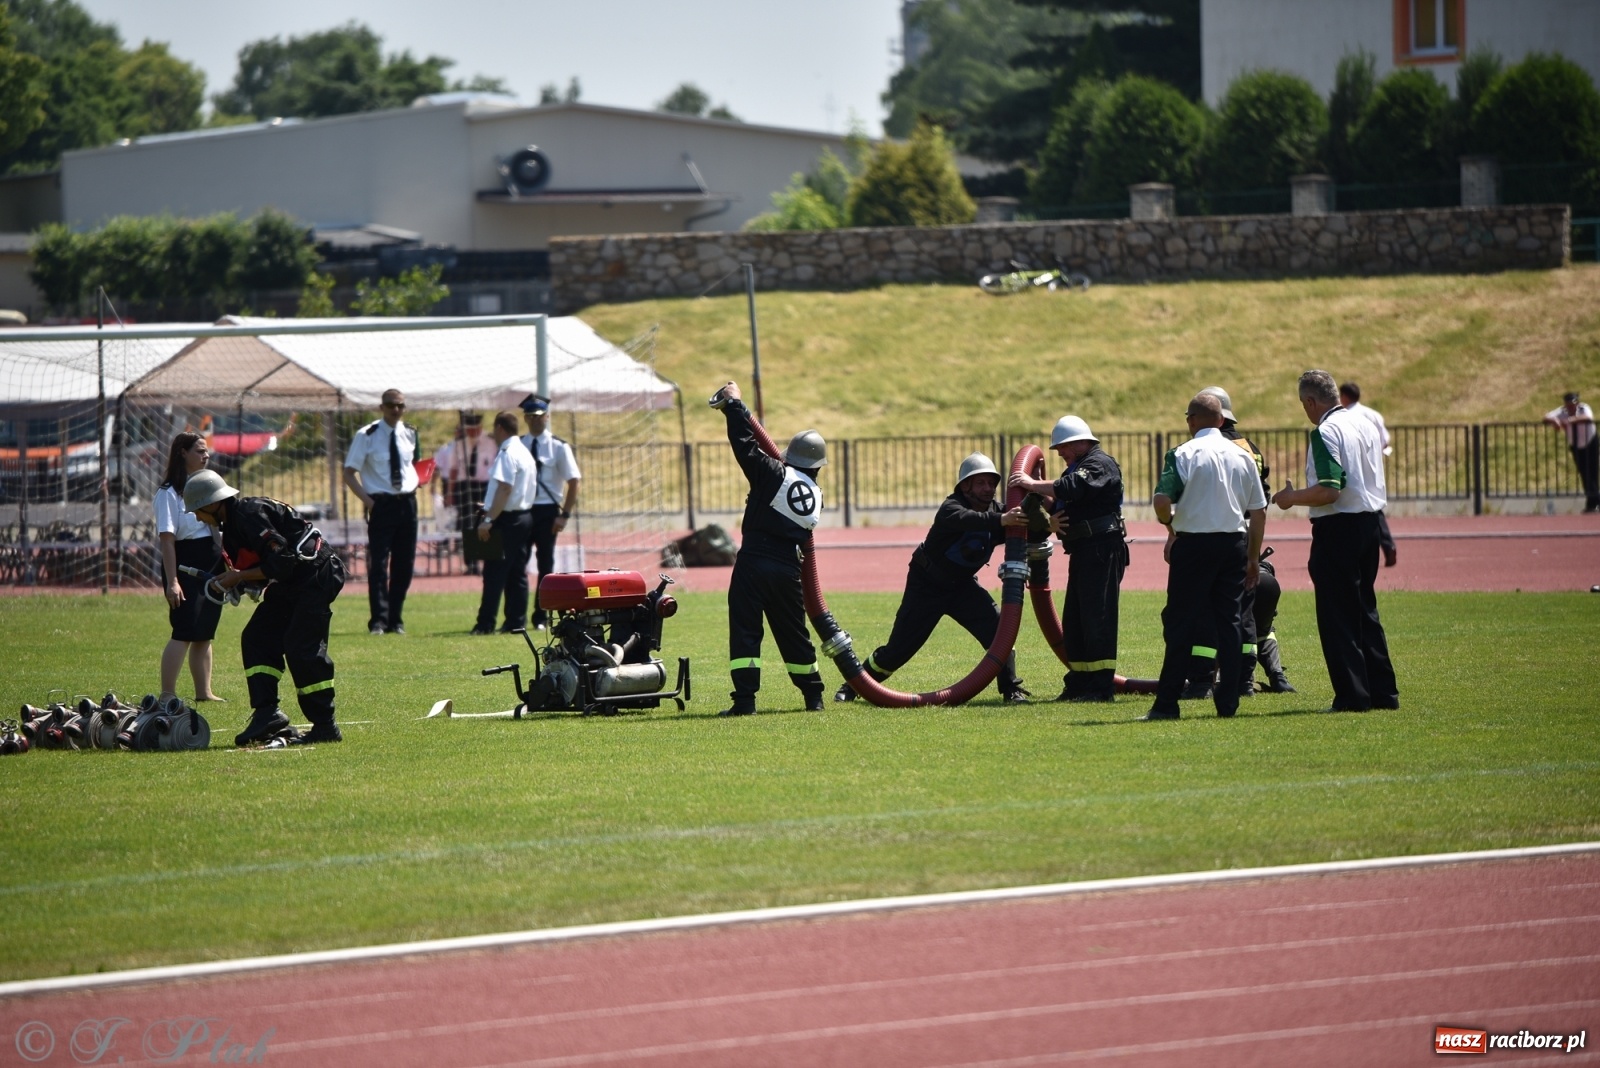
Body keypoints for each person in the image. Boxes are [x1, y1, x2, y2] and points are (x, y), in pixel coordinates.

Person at [836, 453, 1031, 704]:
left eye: (991, 483)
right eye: (980, 483)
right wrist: (1001, 520)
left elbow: (1025, 525)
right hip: (927, 585)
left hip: (962, 587)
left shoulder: (997, 513)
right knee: (897, 651)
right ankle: (853, 686)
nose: (988, 489)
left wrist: (1047, 521)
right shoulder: (952, 507)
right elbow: (966, 520)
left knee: (999, 631)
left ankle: (1011, 690)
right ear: (965, 486)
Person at [182, 469, 346, 746]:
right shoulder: (232, 526)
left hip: (316, 575)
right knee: (257, 637)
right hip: (293, 581)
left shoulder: (248, 514)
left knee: (301, 649)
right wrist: (233, 583)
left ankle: (325, 726)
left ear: (211, 504)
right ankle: (267, 713)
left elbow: (282, 560)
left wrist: (240, 577)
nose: (198, 517)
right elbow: (265, 569)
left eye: (198, 510)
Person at [1273, 369, 1400, 713]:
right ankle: (1383, 692)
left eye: (1304, 404)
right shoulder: (1366, 425)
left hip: (1338, 528)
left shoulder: (1325, 432)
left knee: (1337, 615)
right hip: (1369, 523)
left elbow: (1329, 490)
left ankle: (1352, 695)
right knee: (1364, 609)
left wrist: (1290, 498)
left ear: (1311, 401)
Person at [1144, 392, 1267, 721]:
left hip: (1194, 545)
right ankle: (1228, 703)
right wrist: (1253, 558)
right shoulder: (1243, 455)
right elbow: (1258, 511)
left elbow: (1160, 500)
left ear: (1192, 420)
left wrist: (1170, 526)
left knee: (1181, 622)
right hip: (1234, 545)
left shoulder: (1181, 453)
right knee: (1230, 622)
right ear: (1222, 419)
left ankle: (1167, 704)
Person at [713, 380, 827, 716]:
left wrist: (734, 405)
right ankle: (813, 697)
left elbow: (744, 445)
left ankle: (745, 702)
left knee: (746, 631)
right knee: (794, 632)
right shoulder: (817, 496)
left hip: (754, 561)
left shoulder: (774, 473)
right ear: (819, 466)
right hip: (789, 568)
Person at [1183, 386, 1293, 698]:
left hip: (1214, 534)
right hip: (1248, 535)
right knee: (1245, 612)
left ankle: (1204, 681)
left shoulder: (1199, 448)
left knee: (1207, 608)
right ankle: (1250, 678)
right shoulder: (1250, 448)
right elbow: (1262, 496)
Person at [1009, 415, 1127, 702]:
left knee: (1097, 618)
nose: (1060, 453)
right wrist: (1044, 505)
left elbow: (1073, 487)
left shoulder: (1099, 464)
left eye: (1062, 447)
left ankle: (1100, 688)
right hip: (1085, 549)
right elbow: (1064, 498)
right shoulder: (1080, 467)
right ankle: (1078, 684)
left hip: (1101, 548)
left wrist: (1032, 484)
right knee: (1076, 620)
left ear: (1079, 443)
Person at [342, 388, 419, 635]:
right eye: (390, 405)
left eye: (400, 405)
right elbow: (348, 473)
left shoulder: (410, 433)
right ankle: (378, 620)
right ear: (382, 407)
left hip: (407, 502)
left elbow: (410, 466)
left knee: (404, 564)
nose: (396, 410)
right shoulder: (367, 435)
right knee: (378, 564)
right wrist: (368, 502)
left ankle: (396, 619)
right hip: (381, 504)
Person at [155, 433, 224, 704]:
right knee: (184, 631)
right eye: (200, 451)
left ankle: (204, 692)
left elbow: (217, 529)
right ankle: (167, 695)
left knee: (205, 632)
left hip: (210, 560)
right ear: (182, 453)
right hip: (184, 563)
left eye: (206, 451)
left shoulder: (208, 487)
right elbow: (167, 541)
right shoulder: (168, 493)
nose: (206, 456)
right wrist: (173, 581)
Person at [473, 411, 539, 635]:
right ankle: (515, 621)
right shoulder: (524, 451)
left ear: (500, 428)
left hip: (506, 519)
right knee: (516, 572)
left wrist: (489, 518)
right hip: (523, 517)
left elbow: (505, 488)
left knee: (494, 572)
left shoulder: (508, 452)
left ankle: (485, 624)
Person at [519, 394, 582, 629]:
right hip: (522, 510)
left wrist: (564, 514)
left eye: (539, 416)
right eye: (530, 417)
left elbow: (574, 481)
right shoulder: (518, 444)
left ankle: (541, 616)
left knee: (545, 566)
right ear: (525, 418)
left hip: (547, 512)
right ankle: (516, 617)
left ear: (547, 416)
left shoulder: (558, 446)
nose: (535, 421)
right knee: (517, 564)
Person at [1339, 382, 1397, 566]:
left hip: (1356, 466)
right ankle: (1385, 546)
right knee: (1374, 506)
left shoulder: (1346, 416)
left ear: (1345, 397)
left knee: (1360, 508)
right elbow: (1385, 441)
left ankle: (1366, 549)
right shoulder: (1373, 414)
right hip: (1375, 465)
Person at [433, 412, 496, 574]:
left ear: (480, 428)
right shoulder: (459, 444)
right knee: (468, 524)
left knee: (487, 522)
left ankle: (489, 561)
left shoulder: (490, 441)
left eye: (473, 430)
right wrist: (450, 492)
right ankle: (472, 563)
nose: (470, 433)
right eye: (467, 430)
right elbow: (453, 469)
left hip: (484, 485)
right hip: (465, 486)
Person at [1544, 390, 1598, 513]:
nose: (1571, 406)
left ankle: (1594, 503)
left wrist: (1570, 420)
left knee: (1593, 472)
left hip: (1590, 442)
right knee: (1584, 473)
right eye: (1569, 404)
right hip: (1576, 445)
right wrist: (1555, 421)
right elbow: (1546, 417)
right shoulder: (1561, 411)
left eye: (1574, 403)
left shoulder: (1583, 408)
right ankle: (1592, 503)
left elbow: (1588, 417)